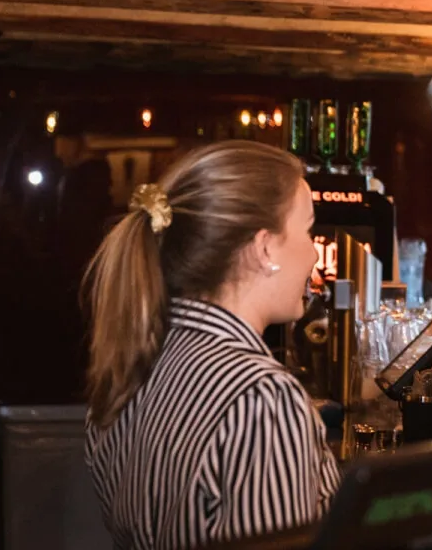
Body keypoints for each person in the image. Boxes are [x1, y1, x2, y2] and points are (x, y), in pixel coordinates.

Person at [83, 141, 339, 548]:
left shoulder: (134, 367)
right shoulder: (263, 399)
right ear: (265, 248)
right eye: (308, 229)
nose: (314, 252)